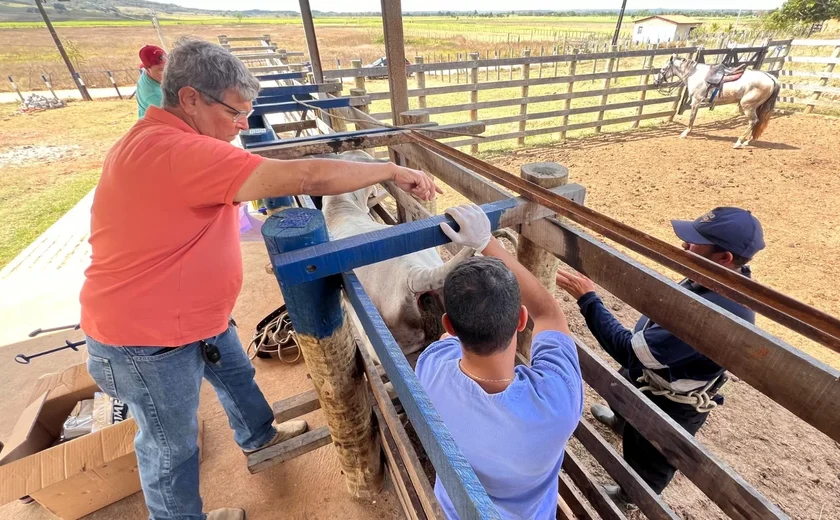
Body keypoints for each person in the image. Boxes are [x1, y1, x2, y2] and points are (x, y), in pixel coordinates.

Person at [81, 39, 440, 520]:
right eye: (234, 112)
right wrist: (391, 168)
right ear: (190, 99)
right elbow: (307, 177)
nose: (243, 125)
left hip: (190, 314)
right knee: (171, 448)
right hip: (148, 338)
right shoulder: (183, 153)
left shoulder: (150, 138)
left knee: (236, 374)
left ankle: (259, 436)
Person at [554, 207, 765, 503]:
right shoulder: (714, 276)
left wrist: (588, 299)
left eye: (693, 243)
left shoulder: (713, 316)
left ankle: (630, 497)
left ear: (724, 258)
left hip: (670, 397)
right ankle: (621, 420)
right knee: (624, 393)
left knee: (651, 455)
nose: (684, 246)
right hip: (654, 367)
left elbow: (629, 352)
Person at [416, 204, 583, 519]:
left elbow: (444, 345)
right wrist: (487, 243)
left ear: (449, 325)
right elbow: (548, 313)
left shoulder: (430, 369)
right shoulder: (559, 402)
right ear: (521, 320)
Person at [136, 44, 166, 118]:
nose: (168, 72)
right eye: (161, 70)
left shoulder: (153, 76)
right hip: (159, 126)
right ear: (147, 69)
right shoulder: (154, 96)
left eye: (168, 66)